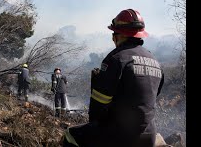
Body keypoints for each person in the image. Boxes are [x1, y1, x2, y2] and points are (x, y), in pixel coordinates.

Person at [63, 9, 164, 147]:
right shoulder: (155, 61)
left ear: (121, 35)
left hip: (121, 135)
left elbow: (99, 105)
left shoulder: (117, 58)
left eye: (114, 33)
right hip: (149, 136)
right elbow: (151, 95)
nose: (113, 38)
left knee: (70, 134)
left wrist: (94, 125)